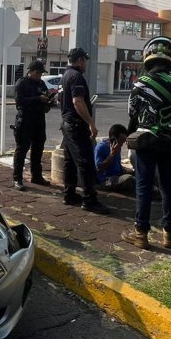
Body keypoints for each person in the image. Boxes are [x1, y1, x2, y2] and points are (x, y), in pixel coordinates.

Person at [120, 37, 171, 250]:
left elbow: (131, 113)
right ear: (170, 56)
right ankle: (169, 235)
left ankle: (141, 234)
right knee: (168, 187)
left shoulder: (140, 82)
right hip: (169, 141)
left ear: (148, 55)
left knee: (143, 186)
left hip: (146, 141)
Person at [58, 47, 110, 214]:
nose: (86, 64)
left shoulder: (65, 76)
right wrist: (91, 123)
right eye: (85, 60)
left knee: (70, 162)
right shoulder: (76, 76)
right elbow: (78, 102)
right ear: (80, 60)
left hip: (67, 125)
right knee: (85, 162)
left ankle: (69, 194)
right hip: (76, 126)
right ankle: (89, 200)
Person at [11, 59, 53, 190]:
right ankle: (17, 179)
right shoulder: (22, 83)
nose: (39, 76)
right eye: (38, 73)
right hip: (25, 120)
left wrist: (49, 101)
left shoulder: (41, 83)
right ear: (31, 71)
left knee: (38, 150)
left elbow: (45, 101)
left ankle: (37, 176)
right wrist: (37, 99)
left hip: (39, 120)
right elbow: (19, 102)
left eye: (41, 74)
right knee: (22, 150)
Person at [94, 124, 135, 194]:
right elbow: (98, 169)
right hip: (106, 180)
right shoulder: (101, 147)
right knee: (128, 179)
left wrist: (126, 170)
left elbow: (116, 164)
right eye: (121, 141)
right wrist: (112, 154)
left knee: (140, 172)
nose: (122, 145)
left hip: (118, 175)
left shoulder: (117, 147)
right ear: (114, 139)